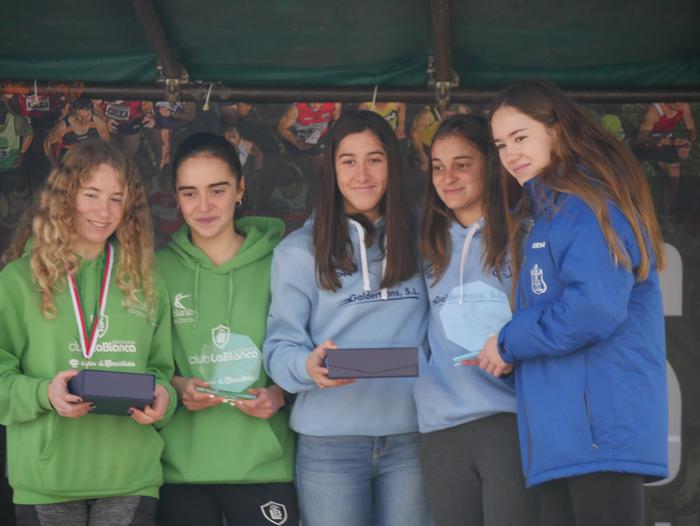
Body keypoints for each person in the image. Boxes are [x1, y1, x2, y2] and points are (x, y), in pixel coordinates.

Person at [480, 79, 668, 526]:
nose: (510, 154)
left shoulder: (586, 206)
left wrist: (508, 343)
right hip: (564, 438)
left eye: (520, 137)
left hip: (598, 434)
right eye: (501, 144)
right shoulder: (546, 214)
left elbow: (593, 311)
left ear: (557, 130)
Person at [264, 110, 432, 526]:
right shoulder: (298, 251)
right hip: (330, 444)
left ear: (393, 164)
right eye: (348, 161)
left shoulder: (427, 237)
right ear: (331, 168)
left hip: (413, 437)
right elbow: (279, 348)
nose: (362, 174)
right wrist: (306, 366)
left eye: (374, 159)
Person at [0, 140, 176, 525]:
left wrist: (165, 395)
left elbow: (162, 370)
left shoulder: (146, 279)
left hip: (130, 475)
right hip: (48, 478)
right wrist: (44, 393)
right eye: (91, 194)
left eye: (116, 198)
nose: (104, 211)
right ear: (65, 197)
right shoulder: (19, 279)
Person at [156, 132, 298, 526]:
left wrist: (279, 394)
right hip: (180, 470)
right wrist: (176, 385)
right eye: (189, 193)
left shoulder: (281, 263)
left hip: (263, 467)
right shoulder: (156, 270)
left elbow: (306, 350)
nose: (203, 206)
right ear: (176, 197)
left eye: (217, 190)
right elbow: (140, 361)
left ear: (240, 189)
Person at [416, 114, 535, 526]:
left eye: (462, 164)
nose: (447, 178)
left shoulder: (526, 235)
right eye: (437, 167)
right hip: (440, 427)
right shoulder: (425, 241)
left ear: (491, 165)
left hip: (510, 418)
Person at [637, 102, 697, 222]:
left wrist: (688, 144)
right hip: (648, 145)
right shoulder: (654, 111)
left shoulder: (683, 106)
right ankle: (643, 211)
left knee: (674, 177)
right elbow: (641, 139)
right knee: (648, 179)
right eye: (676, 99)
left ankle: (664, 212)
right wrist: (665, 141)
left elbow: (691, 129)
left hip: (666, 143)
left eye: (682, 99)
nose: (679, 103)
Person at [44, 98, 109, 165]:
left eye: (87, 116)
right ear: (74, 112)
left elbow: (106, 144)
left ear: (91, 112)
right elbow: (47, 143)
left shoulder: (98, 123)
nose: (84, 120)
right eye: (80, 116)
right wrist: (53, 163)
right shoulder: (62, 127)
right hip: (70, 162)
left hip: (91, 160)